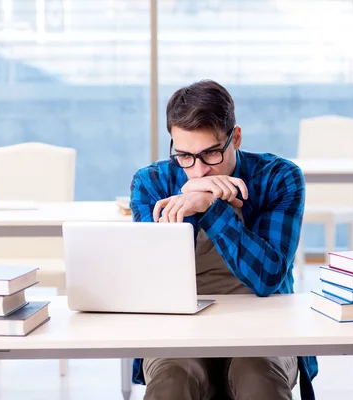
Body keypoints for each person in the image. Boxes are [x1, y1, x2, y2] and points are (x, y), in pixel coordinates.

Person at [129, 79, 318, 400]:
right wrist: (186, 206)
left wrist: (213, 209)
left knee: (259, 380)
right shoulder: (152, 182)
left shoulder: (279, 177)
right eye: (185, 156)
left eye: (211, 154)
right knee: (171, 382)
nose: (199, 170)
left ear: (236, 138)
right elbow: (156, 281)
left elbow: (267, 279)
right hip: (179, 329)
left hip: (263, 325)